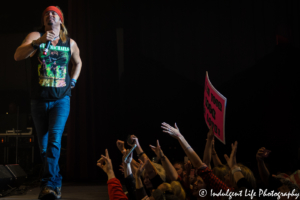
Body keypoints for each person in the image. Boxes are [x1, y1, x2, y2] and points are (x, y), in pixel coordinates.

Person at [14, 6, 82, 199]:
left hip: (61, 100)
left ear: (60, 20)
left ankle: (48, 186)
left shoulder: (70, 42)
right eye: (46, 13)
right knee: (44, 148)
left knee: (54, 140)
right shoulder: (36, 36)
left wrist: (73, 80)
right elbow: (18, 55)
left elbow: (78, 62)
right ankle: (55, 182)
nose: (49, 15)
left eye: (54, 13)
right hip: (39, 100)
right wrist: (38, 43)